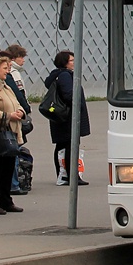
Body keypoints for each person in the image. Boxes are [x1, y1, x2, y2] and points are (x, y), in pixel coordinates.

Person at [0, 55, 24, 215]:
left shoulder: (6, 86)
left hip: (12, 132)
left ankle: (6, 201)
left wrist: (20, 111)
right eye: (4, 69)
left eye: (8, 68)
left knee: (8, 168)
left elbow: (17, 102)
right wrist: (8, 115)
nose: (7, 71)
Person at [45, 51, 89, 186]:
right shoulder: (65, 76)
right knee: (70, 145)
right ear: (64, 62)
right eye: (71, 60)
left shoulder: (58, 75)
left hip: (60, 116)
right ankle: (71, 175)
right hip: (67, 117)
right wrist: (77, 105)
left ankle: (63, 174)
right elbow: (69, 95)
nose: (74, 62)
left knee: (62, 145)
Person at [3, 44, 33, 195]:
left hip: (15, 114)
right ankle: (14, 183)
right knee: (14, 149)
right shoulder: (12, 74)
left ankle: (13, 182)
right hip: (12, 117)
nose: (23, 60)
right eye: (21, 57)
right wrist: (25, 109)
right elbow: (18, 93)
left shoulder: (13, 72)